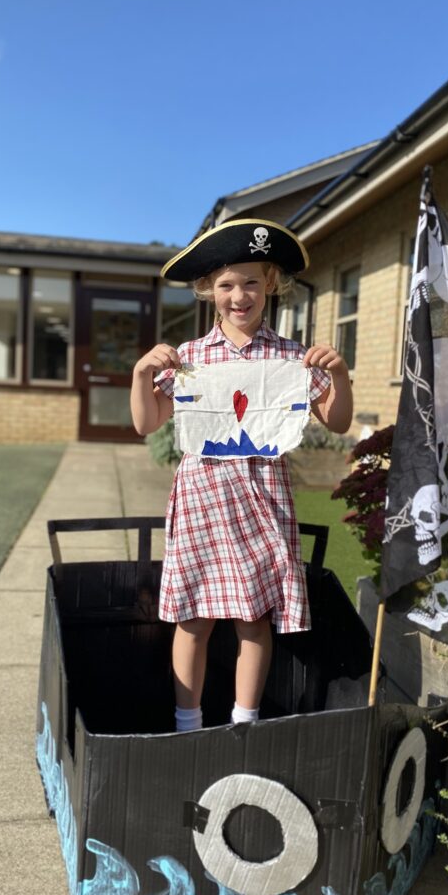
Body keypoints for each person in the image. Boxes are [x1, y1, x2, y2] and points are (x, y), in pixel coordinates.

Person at [130, 219, 353, 732]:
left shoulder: (293, 359)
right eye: (227, 284)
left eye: (251, 282)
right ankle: (187, 723)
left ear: (270, 283)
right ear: (209, 289)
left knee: (253, 620)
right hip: (202, 498)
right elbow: (147, 422)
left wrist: (337, 374)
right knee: (193, 618)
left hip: (261, 500)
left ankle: (244, 723)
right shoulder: (187, 359)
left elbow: (336, 421)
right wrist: (143, 374)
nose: (239, 295)